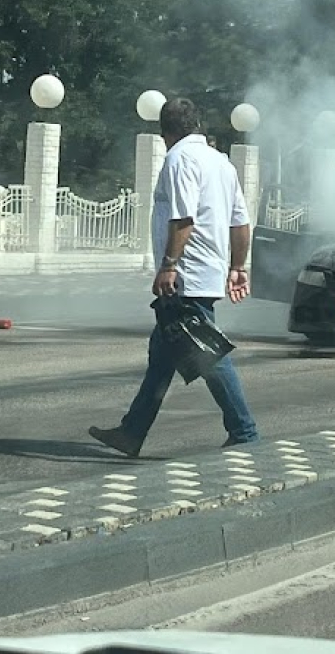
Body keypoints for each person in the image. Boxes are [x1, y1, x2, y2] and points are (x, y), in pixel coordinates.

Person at [89, 97, 258, 456]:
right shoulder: (221, 162)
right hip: (207, 272)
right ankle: (131, 432)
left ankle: (245, 431)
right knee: (162, 355)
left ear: (165, 132)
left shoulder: (180, 158)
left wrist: (169, 265)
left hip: (187, 276)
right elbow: (241, 222)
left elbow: (183, 218)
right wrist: (238, 267)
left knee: (208, 354)